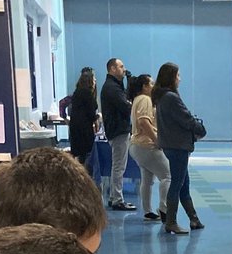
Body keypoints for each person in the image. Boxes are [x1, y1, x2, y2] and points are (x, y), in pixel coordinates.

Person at [153, 62, 205, 235]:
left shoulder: (161, 97)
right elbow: (186, 118)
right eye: (178, 76)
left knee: (183, 184)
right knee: (177, 184)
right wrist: (199, 129)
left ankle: (194, 219)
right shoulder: (171, 97)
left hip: (170, 145)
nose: (180, 79)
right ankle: (171, 222)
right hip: (177, 147)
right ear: (171, 78)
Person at [128, 73, 171, 222]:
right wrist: (157, 140)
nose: (153, 86)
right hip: (146, 145)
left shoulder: (136, 100)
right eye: (151, 84)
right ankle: (164, 208)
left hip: (136, 145)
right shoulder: (146, 99)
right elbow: (144, 122)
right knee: (167, 175)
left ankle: (147, 211)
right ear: (145, 87)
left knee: (147, 179)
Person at [100, 56, 135, 210]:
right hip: (118, 130)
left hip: (118, 129)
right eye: (121, 66)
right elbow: (126, 106)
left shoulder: (115, 86)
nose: (124, 69)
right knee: (119, 166)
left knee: (118, 165)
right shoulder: (111, 88)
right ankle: (117, 199)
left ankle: (115, 196)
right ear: (112, 69)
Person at [67, 67, 98, 165]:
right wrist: (98, 117)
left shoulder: (77, 92)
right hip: (84, 129)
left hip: (75, 127)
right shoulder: (87, 94)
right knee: (86, 155)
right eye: (93, 79)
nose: (95, 81)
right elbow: (91, 113)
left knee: (79, 155)